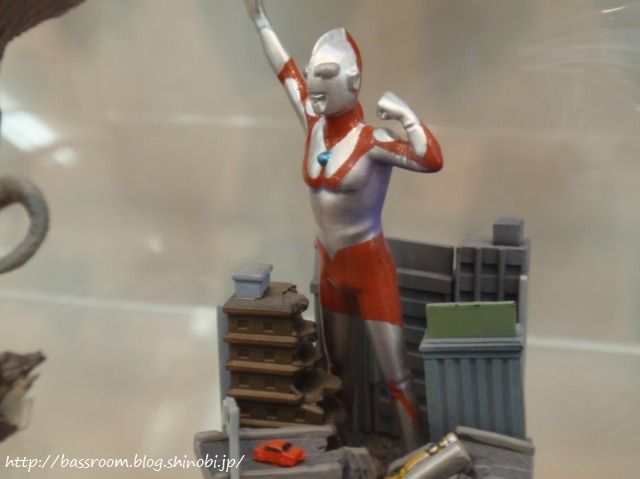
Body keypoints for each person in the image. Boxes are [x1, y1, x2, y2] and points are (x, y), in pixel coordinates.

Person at [244, 0, 443, 451]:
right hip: (330, 265)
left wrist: (407, 116)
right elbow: (285, 71)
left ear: (353, 81)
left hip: (370, 265)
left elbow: (431, 160)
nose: (315, 82)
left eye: (327, 74)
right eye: (314, 73)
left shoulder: (373, 142)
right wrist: (260, 21)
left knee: (396, 375)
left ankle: (413, 454)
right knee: (336, 372)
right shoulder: (314, 123)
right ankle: (343, 447)